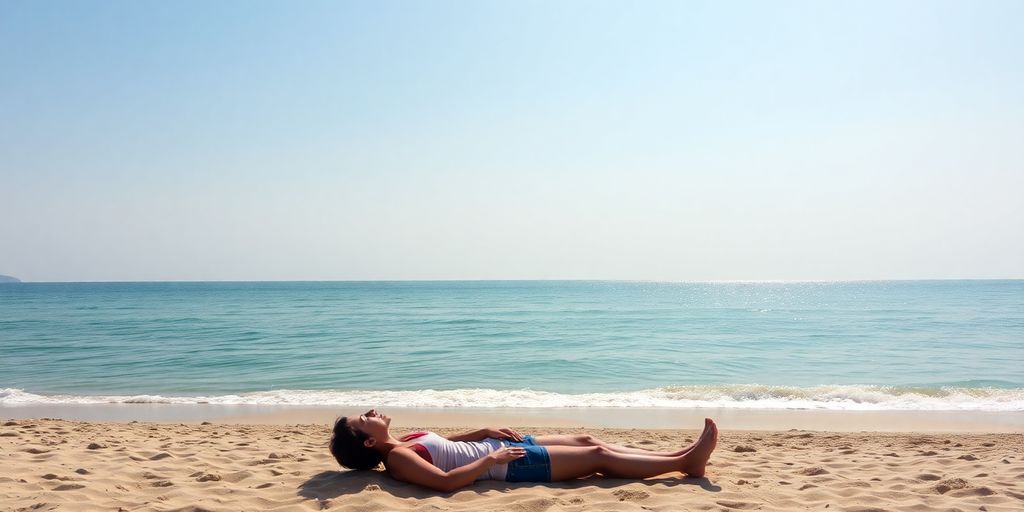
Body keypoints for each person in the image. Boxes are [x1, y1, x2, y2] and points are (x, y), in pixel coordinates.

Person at [329, 409, 718, 492]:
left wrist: (482, 433)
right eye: (364, 420)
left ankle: (677, 455)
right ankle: (686, 463)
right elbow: (446, 481)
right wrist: (491, 459)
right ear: (369, 441)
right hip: (509, 466)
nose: (370, 412)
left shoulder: (404, 440)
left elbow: (446, 448)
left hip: (502, 446)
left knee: (588, 442)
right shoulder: (396, 458)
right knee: (598, 459)